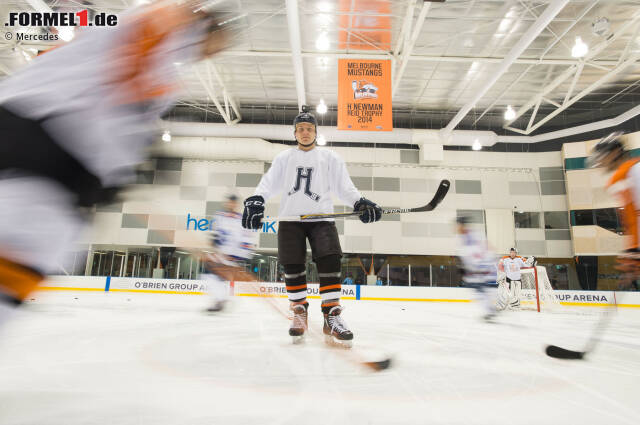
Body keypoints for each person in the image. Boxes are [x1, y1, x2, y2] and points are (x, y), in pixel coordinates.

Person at [0, 1, 232, 327]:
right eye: (214, 46)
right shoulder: (165, 29)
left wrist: (124, 166)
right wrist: (127, 161)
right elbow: (130, 84)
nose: (208, 55)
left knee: (49, 241)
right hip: (43, 139)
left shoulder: (160, 54)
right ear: (206, 23)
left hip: (43, 139)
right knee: (39, 235)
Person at [241, 106, 382, 347]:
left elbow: (344, 187)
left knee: (330, 260)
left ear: (316, 132)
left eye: (309, 129)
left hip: (321, 219)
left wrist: (360, 202)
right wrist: (256, 200)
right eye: (300, 129)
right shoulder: (284, 158)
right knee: (292, 265)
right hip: (290, 219)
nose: (305, 133)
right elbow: (268, 183)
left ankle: (331, 316)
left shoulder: (330, 158)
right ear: (295, 133)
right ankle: (299, 311)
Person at [589, 131, 640, 289]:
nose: (599, 161)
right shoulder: (622, 177)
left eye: (602, 155)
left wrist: (636, 251)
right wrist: (632, 250)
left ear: (615, 152)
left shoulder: (635, 171)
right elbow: (632, 220)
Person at [202, 193, 256, 312]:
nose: (231, 204)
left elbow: (247, 241)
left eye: (233, 202)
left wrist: (236, 256)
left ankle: (221, 300)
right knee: (210, 274)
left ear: (236, 204)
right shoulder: (220, 217)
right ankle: (221, 299)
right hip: (221, 254)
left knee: (215, 274)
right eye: (229, 202)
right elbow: (216, 236)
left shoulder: (243, 220)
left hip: (233, 255)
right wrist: (214, 248)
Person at [455, 216, 500, 322]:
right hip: (478, 267)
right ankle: (491, 309)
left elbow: (479, 250)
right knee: (479, 290)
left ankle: (491, 310)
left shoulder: (471, 235)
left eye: (458, 225)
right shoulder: (464, 236)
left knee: (479, 289)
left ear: (462, 225)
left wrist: (480, 265)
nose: (457, 227)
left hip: (481, 267)